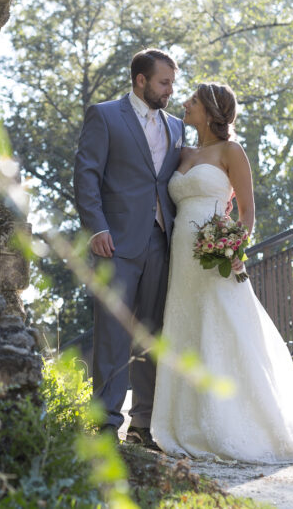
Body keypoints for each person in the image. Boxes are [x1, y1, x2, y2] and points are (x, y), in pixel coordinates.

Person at [150, 82, 293, 463]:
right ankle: (185, 422)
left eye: (192, 101)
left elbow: (247, 212)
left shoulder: (232, 151)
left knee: (222, 326)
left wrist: (233, 248)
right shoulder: (180, 152)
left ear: (210, 110)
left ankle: (235, 422)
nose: (185, 104)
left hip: (214, 252)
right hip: (181, 252)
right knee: (187, 329)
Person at [73, 48, 185, 447]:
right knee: (113, 332)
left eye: (171, 81)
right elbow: (86, 176)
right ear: (141, 80)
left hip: (161, 241)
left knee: (153, 332)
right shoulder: (104, 116)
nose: (171, 89)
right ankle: (105, 422)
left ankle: (143, 424)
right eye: (164, 82)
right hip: (115, 243)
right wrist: (96, 227)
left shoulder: (177, 126)